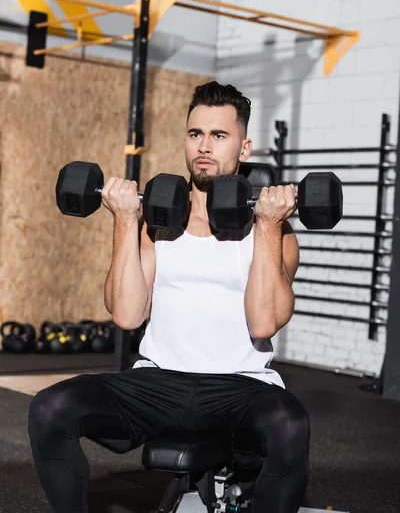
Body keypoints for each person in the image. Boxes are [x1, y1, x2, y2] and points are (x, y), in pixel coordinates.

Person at [28, 81, 310, 513]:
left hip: (240, 386)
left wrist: (269, 227)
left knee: (290, 424)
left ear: (245, 147)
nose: (204, 146)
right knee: (50, 409)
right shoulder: (159, 221)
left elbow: (263, 323)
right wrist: (125, 219)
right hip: (158, 382)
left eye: (219, 136)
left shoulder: (272, 229)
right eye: (195, 133)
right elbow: (126, 314)